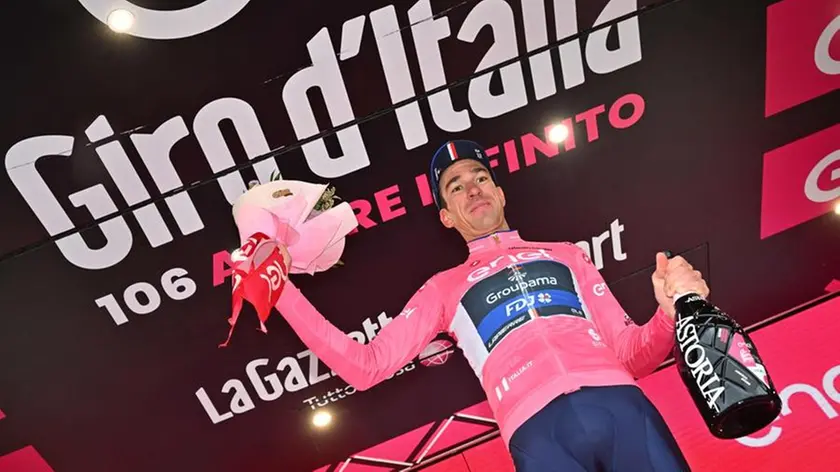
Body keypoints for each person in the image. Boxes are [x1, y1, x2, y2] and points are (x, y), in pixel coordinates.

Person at [273, 140, 707, 471]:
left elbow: (634, 356)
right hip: (538, 433)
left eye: (479, 177)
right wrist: (279, 291)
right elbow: (365, 366)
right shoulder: (443, 289)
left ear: (500, 193)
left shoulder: (566, 255)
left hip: (621, 406)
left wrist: (669, 314)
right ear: (446, 216)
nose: (472, 190)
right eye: (455, 187)